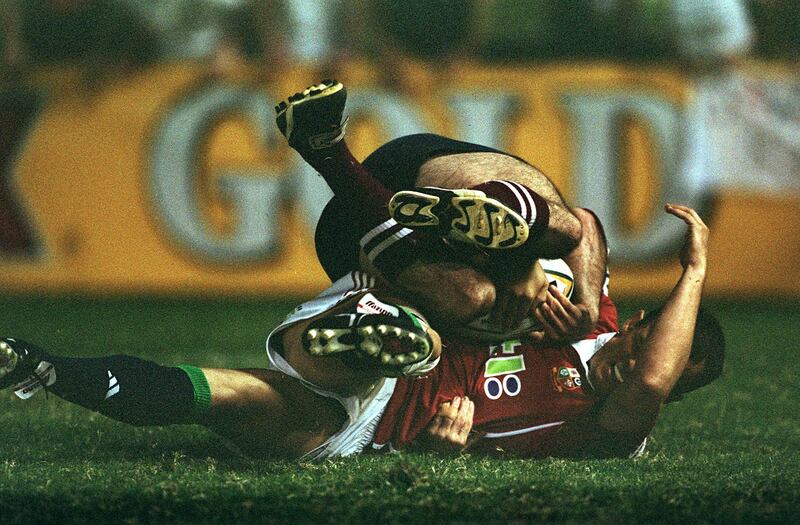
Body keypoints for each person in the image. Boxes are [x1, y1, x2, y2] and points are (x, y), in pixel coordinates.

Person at [0, 202, 724, 459]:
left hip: (363, 430)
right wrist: (538, 279)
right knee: (439, 328)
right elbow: (583, 225)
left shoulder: (616, 432)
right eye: (644, 341)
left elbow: (653, 380)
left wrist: (693, 271)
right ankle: (382, 308)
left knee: (223, 397)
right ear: (636, 323)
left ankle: (45, 367)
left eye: (662, 373)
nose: (640, 367)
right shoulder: (586, 314)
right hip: (387, 335)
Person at [275, 80, 605, 341]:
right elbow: (586, 222)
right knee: (568, 228)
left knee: (469, 298)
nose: (626, 363)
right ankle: (482, 214)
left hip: (360, 227)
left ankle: (330, 152)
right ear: (635, 325)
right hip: (432, 173)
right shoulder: (594, 337)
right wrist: (584, 307)